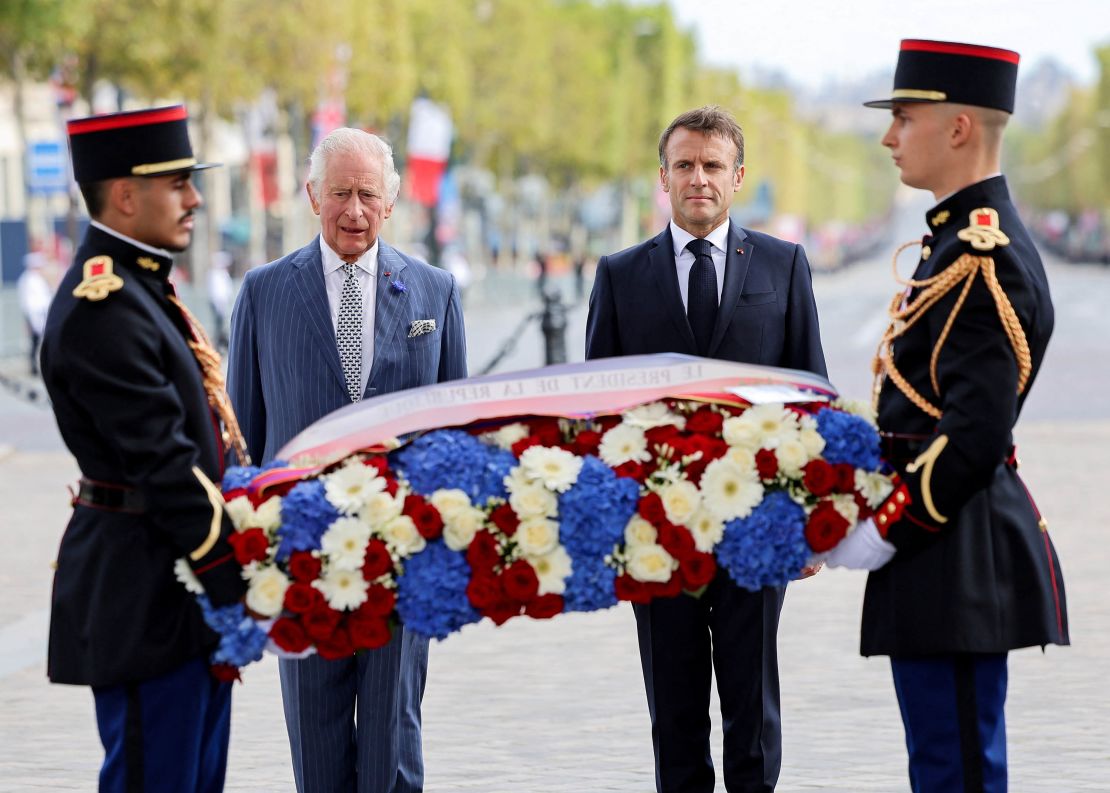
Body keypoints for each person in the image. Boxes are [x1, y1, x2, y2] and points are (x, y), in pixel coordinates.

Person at [826, 39, 1070, 792]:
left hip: (952, 552)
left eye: (903, 117)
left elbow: (972, 436)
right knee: (942, 761)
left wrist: (882, 525)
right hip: (942, 554)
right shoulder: (952, 243)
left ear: (958, 128)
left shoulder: (980, 256)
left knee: (956, 768)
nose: (888, 135)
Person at [586, 105, 827, 793]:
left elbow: (810, 397)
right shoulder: (620, 274)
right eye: (685, 165)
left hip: (757, 529)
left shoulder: (783, 266)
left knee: (753, 715)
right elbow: (597, 414)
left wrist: (808, 519)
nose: (699, 178)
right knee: (676, 716)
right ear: (662, 177)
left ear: (738, 176)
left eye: (712, 165)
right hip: (657, 535)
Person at [227, 127, 467, 793]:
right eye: (339, 194)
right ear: (312, 195)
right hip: (299, 557)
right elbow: (243, 436)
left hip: (403, 561)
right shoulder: (263, 291)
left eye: (367, 194)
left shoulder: (436, 291)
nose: (353, 210)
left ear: (391, 202)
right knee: (317, 743)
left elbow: (460, 439)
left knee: (394, 744)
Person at [39, 105, 248, 792]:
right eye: (177, 184)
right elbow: (164, 462)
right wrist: (239, 576)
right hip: (146, 598)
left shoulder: (140, 288)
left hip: (179, 594)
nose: (193, 199)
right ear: (125, 195)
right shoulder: (106, 305)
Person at [17, 247, 54, 375]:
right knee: (36, 342)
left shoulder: (36, 279)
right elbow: (31, 302)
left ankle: (39, 365)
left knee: (38, 342)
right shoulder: (29, 279)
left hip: (40, 314)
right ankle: (34, 366)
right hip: (35, 315)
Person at [206, 249, 234, 351]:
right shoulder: (215, 274)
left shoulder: (223, 274)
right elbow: (216, 292)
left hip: (223, 305)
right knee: (218, 327)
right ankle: (217, 346)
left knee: (221, 326)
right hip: (218, 305)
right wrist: (219, 307)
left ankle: (220, 345)